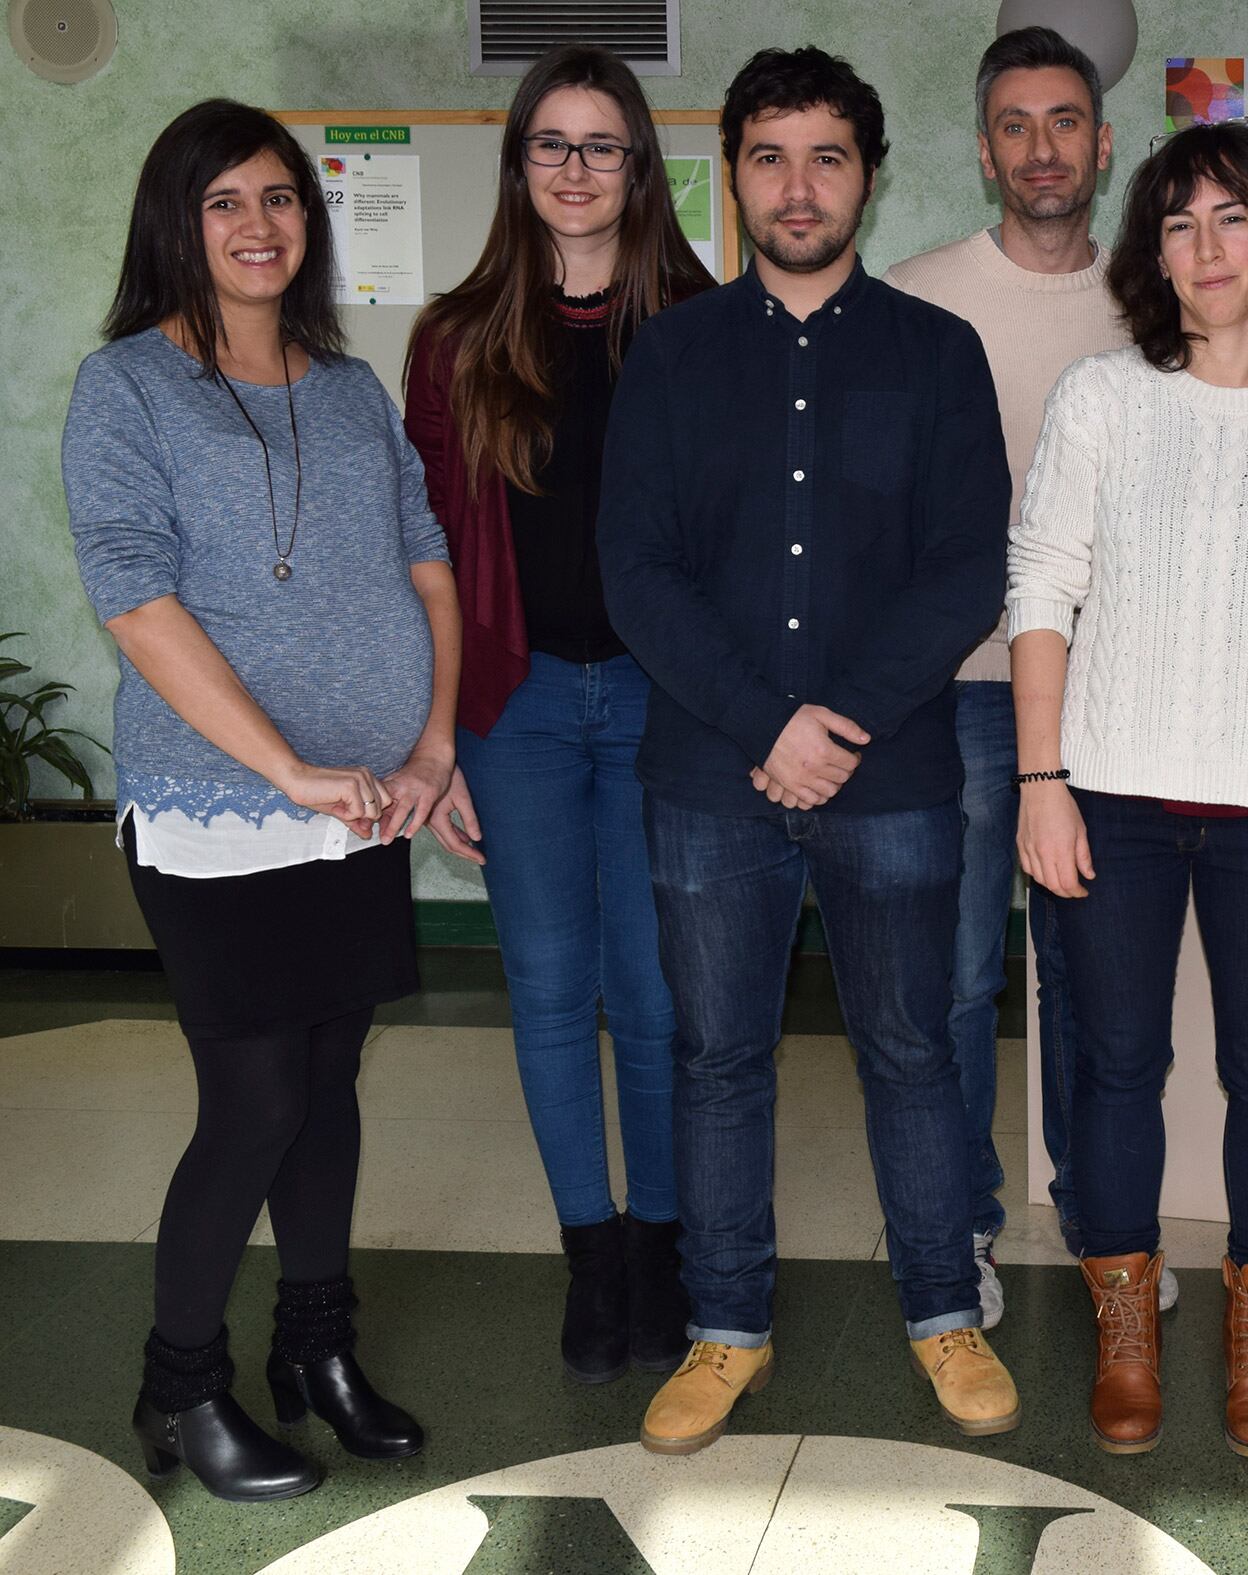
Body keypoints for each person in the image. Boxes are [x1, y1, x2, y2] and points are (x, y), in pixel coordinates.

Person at [597, 46, 1015, 1455]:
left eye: (826, 156)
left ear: (868, 178)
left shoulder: (934, 353)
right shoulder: (669, 355)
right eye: (769, 156)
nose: (797, 184)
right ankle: (727, 1330)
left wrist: (835, 723)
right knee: (718, 1058)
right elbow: (636, 569)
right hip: (707, 778)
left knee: (914, 1047)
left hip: (890, 773)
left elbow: (967, 568)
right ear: (734, 175)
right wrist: (762, 721)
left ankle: (943, 1307)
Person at [64, 99, 459, 1501]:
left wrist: (434, 743)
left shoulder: (348, 385)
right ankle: (179, 1388)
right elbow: (134, 593)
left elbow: (425, 562)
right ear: (177, 218)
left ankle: (316, 1350)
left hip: (359, 806)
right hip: (215, 806)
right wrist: (283, 765)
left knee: (332, 1083)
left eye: (283, 197)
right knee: (254, 1097)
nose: (258, 225)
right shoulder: (127, 385)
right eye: (226, 199)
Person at [1009, 121, 1248, 1460]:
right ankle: (1126, 1329)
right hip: (1106, 786)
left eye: (1229, 218)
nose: (1204, 248)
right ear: (1152, 255)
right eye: (1176, 225)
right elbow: (1040, 589)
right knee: (1114, 1065)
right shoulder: (1101, 399)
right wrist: (1040, 777)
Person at [403, 42, 714, 1388]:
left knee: (651, 995)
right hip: (516, 706)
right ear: (519, 165)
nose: (578, 171)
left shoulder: (702, 321)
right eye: (553, 145)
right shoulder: (455, 339)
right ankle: (588, 1257)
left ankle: (660, 1250)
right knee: (546, 990)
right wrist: (434, 732)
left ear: (640, 170)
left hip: (658, 703)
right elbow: (418, 551)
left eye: (604, 146)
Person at [883, 26, 1173, 1322]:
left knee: (1094, 977)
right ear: (983, 144)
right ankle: (960, 1229)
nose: (1041, 147)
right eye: (1016, 123)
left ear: (1102, 145)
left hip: (1107, 705)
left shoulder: (1157, 304)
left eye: (1065, 122)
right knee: (955, 977)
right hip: (954, 692)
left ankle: (1103, 1218)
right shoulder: (913, 298)